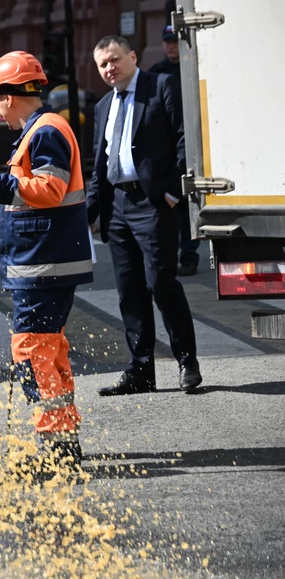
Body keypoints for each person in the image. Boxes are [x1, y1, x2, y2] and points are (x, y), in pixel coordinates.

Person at [0, 51, 93, 469]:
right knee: (49, 352)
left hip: (45, 264)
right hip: (44, 263)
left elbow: (50, 189)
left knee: (32, 352)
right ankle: (64, 440)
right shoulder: (41, 130)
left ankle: (55, 449)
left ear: (7, 96)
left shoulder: (46, 132)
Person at [87, 35, 201, 396]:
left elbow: (185, 138)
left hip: (152, 203)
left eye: (115, 59)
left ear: (133, 56)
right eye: (103, 64)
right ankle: (141, 370)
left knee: (161, 283)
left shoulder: (161, 86)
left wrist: (172, 192)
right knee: (129, 291)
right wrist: (88, 211)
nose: (110, 68)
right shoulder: (103, 105)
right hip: (117, 206)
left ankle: (187, 362)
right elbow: (99, 164)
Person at [149, 24, 200, 276]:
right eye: (166, 41)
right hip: (167, 147)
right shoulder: (156, 72)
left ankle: (189, 256)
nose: (170, 45)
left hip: (192, 141)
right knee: (172, 204)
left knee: (186, 203)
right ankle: (171, 255)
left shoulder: (194, 67)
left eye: (174, 40)